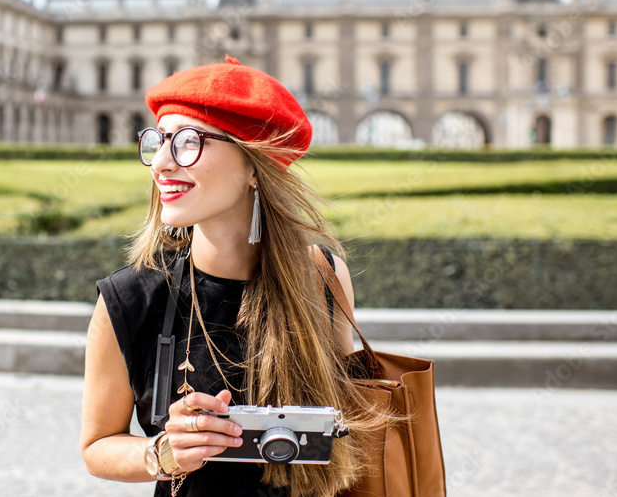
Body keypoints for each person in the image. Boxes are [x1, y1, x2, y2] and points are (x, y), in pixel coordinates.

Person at [80, 56, 389, 497]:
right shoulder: (131, 296)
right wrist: (164, 452)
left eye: (188, 142)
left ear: (252, 167)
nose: (162, 163)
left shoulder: (322, 274)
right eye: (159, 141)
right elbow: (96, 445)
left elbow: (342, 427)